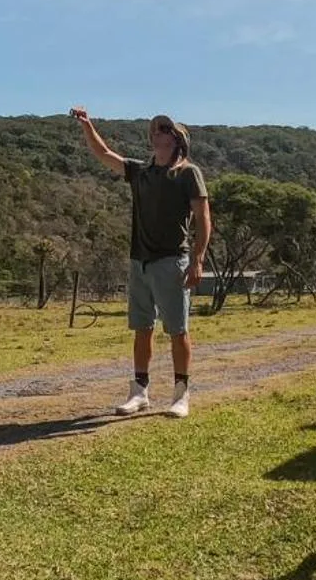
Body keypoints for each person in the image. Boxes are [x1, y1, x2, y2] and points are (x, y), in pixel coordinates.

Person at [70, 107, 212, 417]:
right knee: (142, 328)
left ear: (177, 140)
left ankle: (180, 394)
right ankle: (139, 392)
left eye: (163, 128)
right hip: (140, 262)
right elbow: (105, 154)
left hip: (172, 261)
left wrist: (198, 260)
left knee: (177, 330)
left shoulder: (188, 173)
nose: (156, 132)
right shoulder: (141, 172)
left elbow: (203, 219)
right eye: (155, 129)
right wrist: (87, 125)